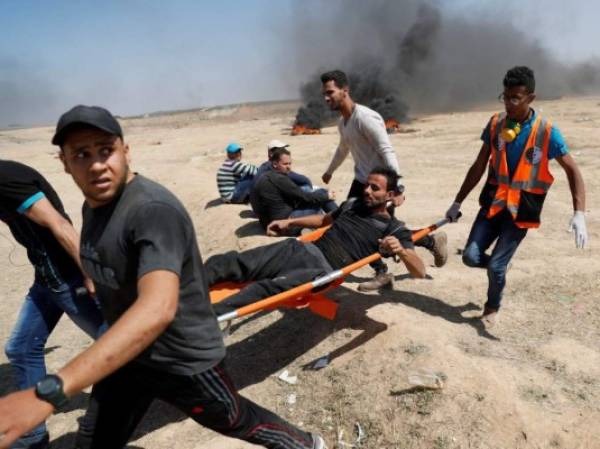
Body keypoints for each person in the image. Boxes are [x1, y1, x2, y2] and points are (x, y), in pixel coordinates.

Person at [0, 105, 327, 449]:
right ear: (64, 163)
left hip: (182, 360)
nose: (96, 164)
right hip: (129, 354)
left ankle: (309, 445)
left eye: (105, 150)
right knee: (94, 441)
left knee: (238, 420)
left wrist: (49, 392)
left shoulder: (151, 210)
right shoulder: (94, 205)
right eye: (81, 154)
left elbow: (157, 308)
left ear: (125, 151)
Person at [444, 66, 588, 328]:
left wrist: (579, 213)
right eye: (505, 96)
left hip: (521, 211)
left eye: (515, 98)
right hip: (493, 205)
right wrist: (457, 202)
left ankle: (492, 306)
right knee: (470, 257)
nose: (509, 103)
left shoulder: (546, 132)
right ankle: (499, 267)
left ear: (530, 98)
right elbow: (478, 165)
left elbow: (573, 170)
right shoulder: (495, 123)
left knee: (495, 268)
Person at [207, 167, 426, 316]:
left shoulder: (394, 228)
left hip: (322, 270)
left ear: (389, 195)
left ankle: (204, 316)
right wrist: (289, 222)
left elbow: (420, 271)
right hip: (299, 248)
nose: (366, 190)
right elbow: (323, 220)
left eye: (374, 188)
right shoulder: (352, 204)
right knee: (232, 262)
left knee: (266, 289)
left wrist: (403, 252)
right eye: (367, 185)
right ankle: (188, 285)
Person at [0, 160, 106, 449]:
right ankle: (34, 436)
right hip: (47, 281)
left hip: (69, 279)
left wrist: (89, 274)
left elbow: (60, 225)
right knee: (20, 348)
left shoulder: (5, 177)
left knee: (114, 344)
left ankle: (189, 380)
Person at [319, 70, 447, 292]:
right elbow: (343, 149)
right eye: (324, 93)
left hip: (380, 186)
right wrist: (330, 171)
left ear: (345, 91)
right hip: (361, 182)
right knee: (358, 227)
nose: (326, 97)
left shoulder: (365, 118)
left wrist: (396, 188)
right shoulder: (344, 122)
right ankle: (427, 244)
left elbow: (386, 150)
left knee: (382, 232)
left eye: (330, 92)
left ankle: (389, 270)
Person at [250, 147, 337, 232]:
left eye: (290, 163)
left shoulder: (265, 176)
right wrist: (326, 195)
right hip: (282, 224)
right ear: (275, 164)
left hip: (266, 224)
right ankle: (341, 218)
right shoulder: (279, 178)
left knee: (317, 198)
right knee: (322, 196)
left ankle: (309, 228)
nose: (289, 167)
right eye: (285, 164)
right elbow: (305, 197)